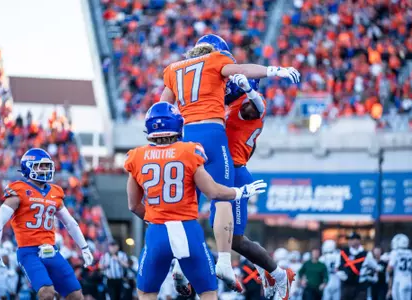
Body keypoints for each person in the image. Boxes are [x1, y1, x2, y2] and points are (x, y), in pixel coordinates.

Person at [160, 33, 299, 290]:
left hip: (230, 165)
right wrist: (271, 71)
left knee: (225, 231)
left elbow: (162, 107)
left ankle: (276, 274)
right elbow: (236, 73)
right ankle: (260, 271)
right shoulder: (219, 94)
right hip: (220, 158)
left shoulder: (247, 103)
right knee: (224, 228)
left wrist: (249, 86)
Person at [123, 102, 267, 300]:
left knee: (146, 293)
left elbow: (133, 205)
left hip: (157, 232)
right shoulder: (190, 151)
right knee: (208, 293)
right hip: (188, 232)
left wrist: (155, 219)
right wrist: (240, 192)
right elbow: (214, 192)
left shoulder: (137, 156)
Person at [0, 148, 94, 300]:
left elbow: (70, 223)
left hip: (52, 250)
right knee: (47, 293)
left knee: (76, 296)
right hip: (29, 252)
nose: (45, 169)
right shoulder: (19, 190)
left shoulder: (55, 192)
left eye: (47, 165)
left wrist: (84, 248)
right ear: (28, 166)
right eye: (41, 166)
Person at [225, 74, 295, 298]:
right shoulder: (233, 103)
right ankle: (263, 269)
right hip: (225, 172)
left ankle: (278, 273)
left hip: (235, 174)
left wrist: (249, 91)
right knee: (224, 235)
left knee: (236, 240)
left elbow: (257, 107)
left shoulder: (255, 103)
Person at [338, 232, 383, 300]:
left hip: (360, 286)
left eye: (352, 239)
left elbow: (376, 267)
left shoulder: (366, 254)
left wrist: (370, 274)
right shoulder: (343, 252)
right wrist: (341, 274)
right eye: (349, 240)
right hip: (346, 286)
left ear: (358, 241)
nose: (350, 241)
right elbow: (338, 267)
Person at [387, 234, 412, 300]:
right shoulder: (411, 252)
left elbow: (389, 268)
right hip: (409, 280)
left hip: (399, 281)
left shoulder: (395, 252)